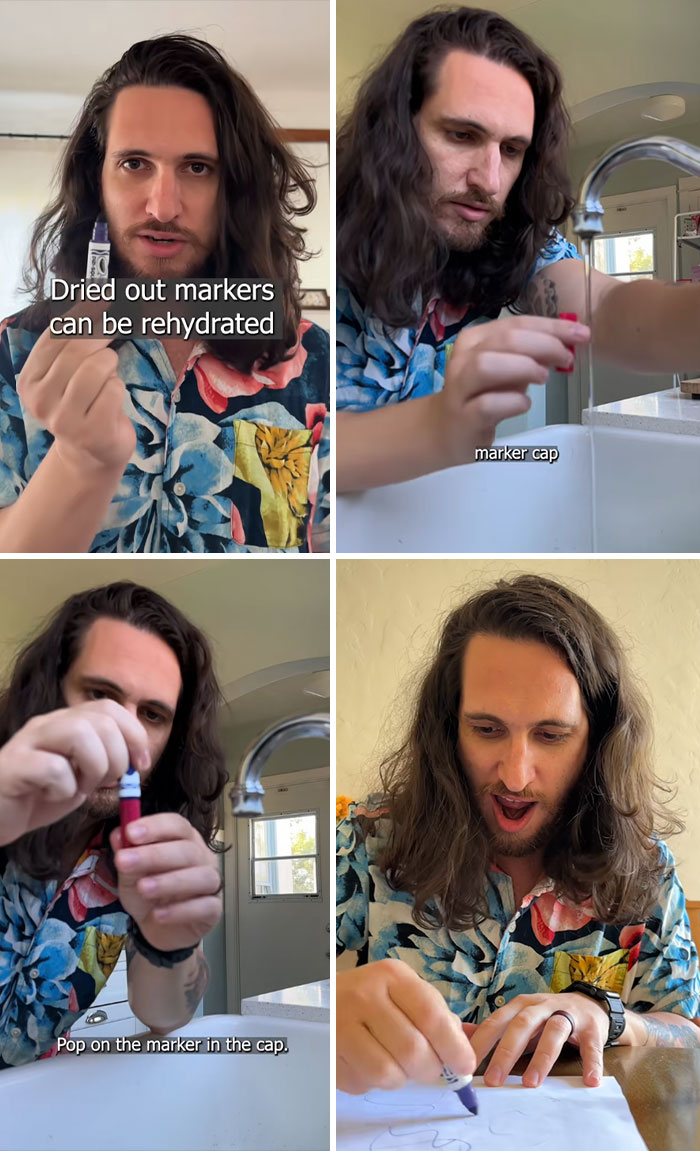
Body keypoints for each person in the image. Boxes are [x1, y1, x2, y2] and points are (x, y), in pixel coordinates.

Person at [336, 575, 700, 1095]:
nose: (514, 776)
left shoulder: (645, 868)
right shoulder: (364, 843)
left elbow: (686, 1031)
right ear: (448, 729)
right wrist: (326, 1010)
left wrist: (611, 1018)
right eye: (487, 730)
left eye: (551, 736)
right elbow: (273, 1021)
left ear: (596, 742)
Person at [336, 7, 700, 491]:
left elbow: (608, 308)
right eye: (462, 135)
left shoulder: (514, 236)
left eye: (511, 150)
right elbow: (301, 441)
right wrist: (440, 427)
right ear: (394, 130)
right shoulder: (315, 241)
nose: (488, 181)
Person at [0, 33, 330, 552]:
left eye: (197, 168)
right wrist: (76, 465)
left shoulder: (312, 359)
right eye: (134, 164)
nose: (162, 207)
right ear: (97, 179)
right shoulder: (15, 350)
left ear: (236, 192)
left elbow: (319, 540)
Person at [0, 581, 227, 1068]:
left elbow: (164, 1016)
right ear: (49, 692)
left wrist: (171, 945)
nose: (123, 734)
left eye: (152, 714)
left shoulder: (148, 844)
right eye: (100, 694)